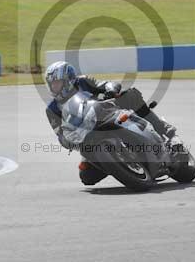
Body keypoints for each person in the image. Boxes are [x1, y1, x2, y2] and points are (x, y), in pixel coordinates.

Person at [44, 60, 178, 186]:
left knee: (130, 95)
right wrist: (67, 141)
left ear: (68, 80)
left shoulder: (83, 81)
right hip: (87, 137)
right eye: (52, 84)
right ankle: (118, 165)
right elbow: (60, 134)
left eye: (57, 83)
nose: (54, 87)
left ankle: (164, 130)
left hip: (106, 114)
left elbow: (103, 84)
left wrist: (111, 89)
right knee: (87, 177)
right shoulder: (52, 109)